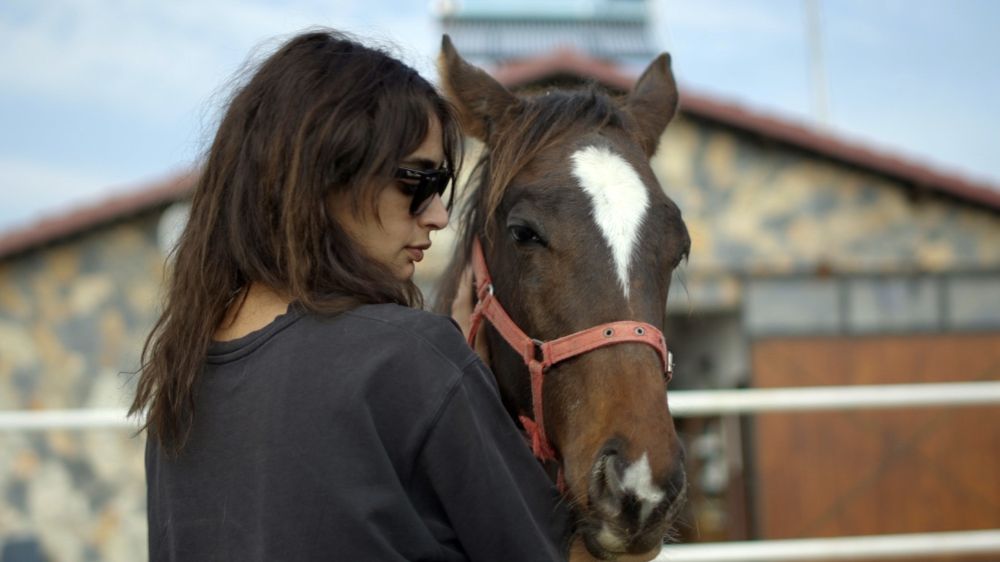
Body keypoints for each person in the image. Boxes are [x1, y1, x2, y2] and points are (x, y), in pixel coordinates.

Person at [131, 29, 568, 561]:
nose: (438, 214)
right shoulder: (410, 357)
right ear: (323, 174)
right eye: (417, 180)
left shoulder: (180, 380)